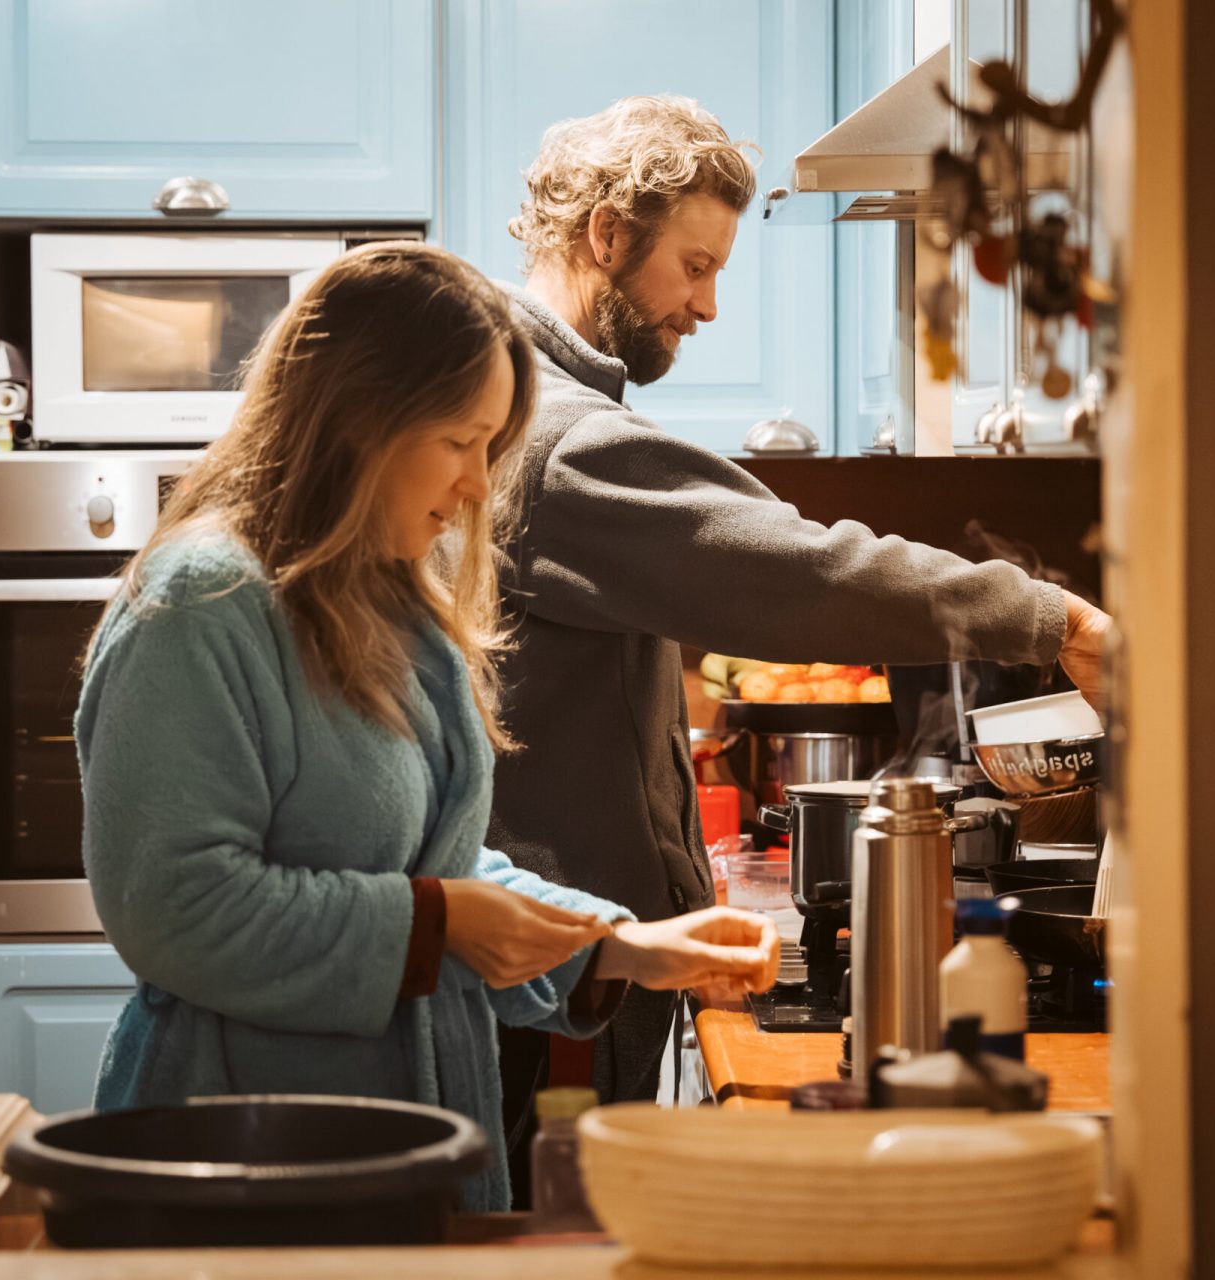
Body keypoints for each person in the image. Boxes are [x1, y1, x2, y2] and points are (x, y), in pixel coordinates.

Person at [75, 241, 778, 1212]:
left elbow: (437, 867)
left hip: (406, 1141)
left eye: (492, 446)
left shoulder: (385, 592)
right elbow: (175, 905)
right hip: (248, 1156)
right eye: (460, 441)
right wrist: (442, 923)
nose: (481, 484)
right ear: (358, 422)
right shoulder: (205, 602)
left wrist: (620, 944)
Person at [487, 96, 1113, 1140]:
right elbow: (806, 575)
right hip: (556, 981)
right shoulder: (565, 440)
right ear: (607, 234)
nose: (710, 306)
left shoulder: (538, 403)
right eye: (696, 266)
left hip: (565, 960)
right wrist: (1053, 620)